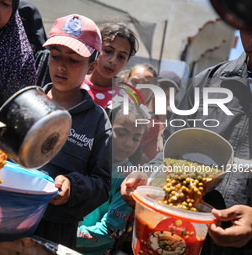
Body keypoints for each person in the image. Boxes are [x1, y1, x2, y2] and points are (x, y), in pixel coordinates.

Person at [121, 27, 252, 253]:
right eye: (249, 28)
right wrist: (147, 175)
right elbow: (171, 148)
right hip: (182, 232)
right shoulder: (208, 81)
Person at [33, 14, 112, 249]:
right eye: (55, 56)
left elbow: (102, 183)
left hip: (55, 230)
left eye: (74, 60)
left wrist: (72, 186)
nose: (61, 66)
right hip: (6, 211)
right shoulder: (28, 100)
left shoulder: (97, 121)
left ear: (92, 66)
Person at [75, 103, 146, 255]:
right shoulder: (82, 156)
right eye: (121, 133)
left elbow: (110, 230)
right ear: (106, 126)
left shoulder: (128, 180)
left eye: (136, 138)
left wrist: (68, 234)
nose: (128, 143)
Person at [81, 21, 139, 109]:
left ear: (126, 62)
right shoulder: (74, 83)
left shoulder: (123, 103)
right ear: (96, 49)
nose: (113, 61)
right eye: (108, 51)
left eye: (121, 56)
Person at [118, 63, 164, 162]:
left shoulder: (154, 127)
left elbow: (150, 161)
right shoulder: (109, 106)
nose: (138, 88)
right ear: (126, 82)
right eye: (135, 82)